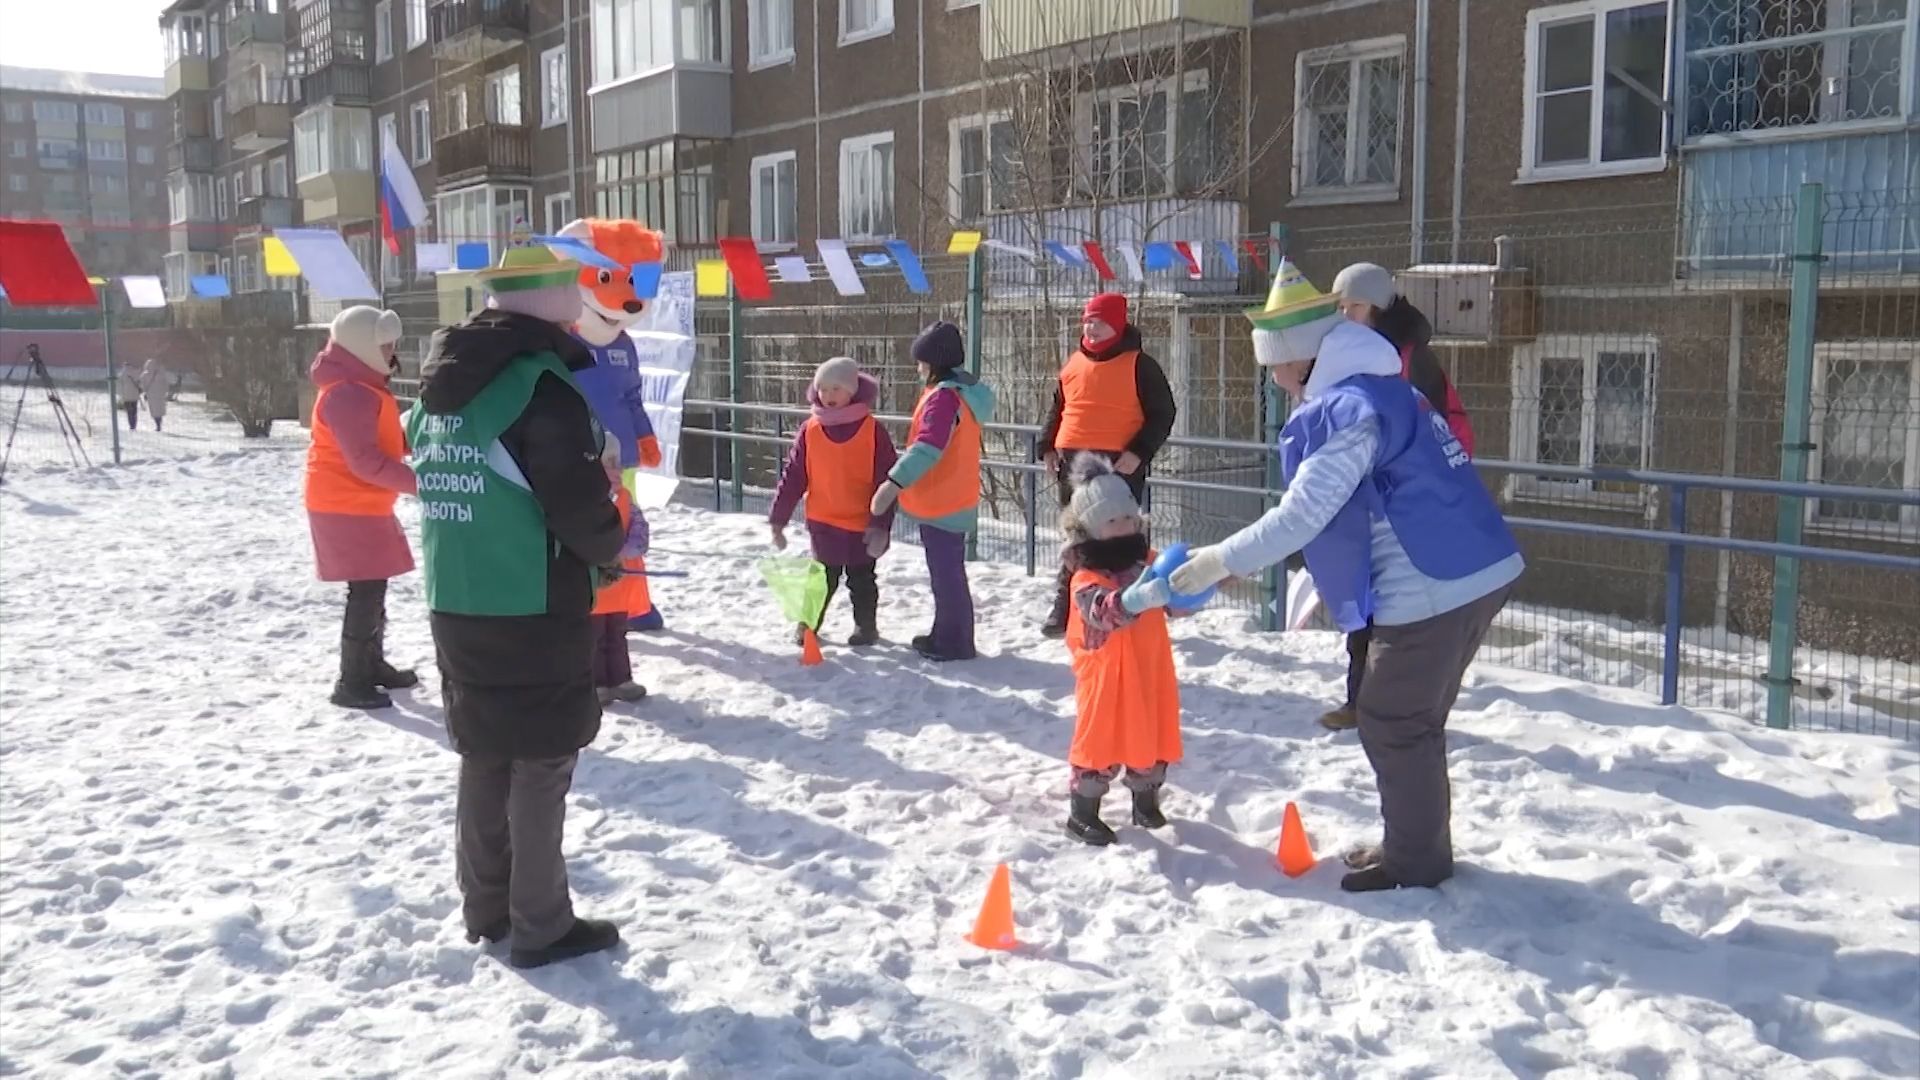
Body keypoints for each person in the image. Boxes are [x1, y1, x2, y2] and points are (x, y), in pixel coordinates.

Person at [1160, 260, 1523, 893]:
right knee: (1411, 720)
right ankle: (1416, 844)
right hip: (1473, 563)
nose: (1273, 378)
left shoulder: (1349, 408)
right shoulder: (1383, 387)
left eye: (1275, 364)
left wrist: (1220, 561)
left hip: (1433, 579)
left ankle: (1416, 861)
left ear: (1303, 358)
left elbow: (1302, 514)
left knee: (1392, 719)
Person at [407, 246, 641, 969]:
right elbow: (576, 506)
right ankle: (541, 924)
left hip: (457, 593)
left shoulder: (441, 383)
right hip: (530, 600)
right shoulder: (540, 386)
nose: (581, 297)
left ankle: (487, 906)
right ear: (545, 300)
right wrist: (614, 537)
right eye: (570, 287)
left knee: (484, 752)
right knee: (541, 761)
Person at [1321, 263, 1480, 732]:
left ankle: (1388, 704)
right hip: (1370, 491)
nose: (1345, 314)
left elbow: (1428, 428)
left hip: (1408, 497)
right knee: (1366, 602)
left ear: (1379, 305)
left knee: (1395, 610)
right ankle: (1360, 700)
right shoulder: (1358, 351)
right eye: (1341, 306)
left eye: (1354, 305)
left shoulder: (1408, 357)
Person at [1057, 453, 1185, 846]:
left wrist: (1198, 582)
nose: (1125, 525)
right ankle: (1083, 812)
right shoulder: (1085, 575)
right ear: (1092, 528)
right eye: (1113, 521)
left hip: (1148, 668)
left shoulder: (1145, 560)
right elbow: (1100, 611)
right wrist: (1132, 600)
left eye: (1129, 517)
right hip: (1105, 677)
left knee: (1152, 731)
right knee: (1100, 740)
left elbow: (1174, 593)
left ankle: (1145, 801)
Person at [1037, 292, 1177, 638]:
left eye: (1097, 321)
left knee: (1121, 535)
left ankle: (1133, 604)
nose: (1090, 328)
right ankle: (1067, 604)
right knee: (1077, 535)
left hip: (1120, 462)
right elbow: (1057, 410)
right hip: (1072, 461)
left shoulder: (1140, 364)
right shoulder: (1072, 363)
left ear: (1116, 324)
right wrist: (1047, 447)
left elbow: (1163, 414)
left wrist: (1140, 451)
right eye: (1086, 321)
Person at [558, 217, 670, 634]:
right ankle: (589, 603)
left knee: (627, 530)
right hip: (576, 459)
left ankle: (636, 604)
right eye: (607, 278)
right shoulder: (563, 343)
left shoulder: (624, 345)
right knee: (586, 533)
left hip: (621, 457)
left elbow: (631, 397)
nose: (626, 299)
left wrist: (644, 436)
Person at [305, 306, 420, 710]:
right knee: (366, 590)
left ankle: (370, 665)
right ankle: (351, 680)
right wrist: (424, 485)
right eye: (384, 345)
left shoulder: (362, 385)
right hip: (344, 503)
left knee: (374, 586)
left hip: (362, 502)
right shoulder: (347, 393)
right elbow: (365, 461)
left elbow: (383, 440)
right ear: (360, 346)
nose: (391, 352)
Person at [870, 321, 996, 662]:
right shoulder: (961, 394)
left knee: (946, 576)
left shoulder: (944, 399)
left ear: (934, 363)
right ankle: (946, 633)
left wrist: (893, 483)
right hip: (954, 495)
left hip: (943, 499)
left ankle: (955, 642)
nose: (918, 367)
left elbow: (927, 448)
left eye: (922, 361)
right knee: (946, 573)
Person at [768, 356, 898, 647]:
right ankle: (808, 626)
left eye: (836, 388)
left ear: (853, 390)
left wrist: (880, 524)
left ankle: (866, 628)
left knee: (862, 579)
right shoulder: (810, 429)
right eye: (822, 389)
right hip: (823, 521)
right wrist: (779, 518)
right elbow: (794, 476)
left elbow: (886, 481)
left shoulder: (873, 431)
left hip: (861, 522)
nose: (828, 396)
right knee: (821, 578)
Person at [139, 357, 169, 432]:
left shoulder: (145, 375)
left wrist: (144, 391)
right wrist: (165, 391)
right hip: (160, 395)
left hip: (151, 395)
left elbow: (142, 385)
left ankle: (158, 424)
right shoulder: (161, 373)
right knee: (159, 410)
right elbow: (165, 383)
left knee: (154, 411)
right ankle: (159, 424)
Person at [116, 362, 144, 431]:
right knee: (134, 411)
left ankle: (131, 425)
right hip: (134, 396)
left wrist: (121, 395)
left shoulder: (121, 375)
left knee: (129, 412)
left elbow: (119, 387)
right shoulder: (135, 374)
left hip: (126, 397)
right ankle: (134, 425)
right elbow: (140, 384)